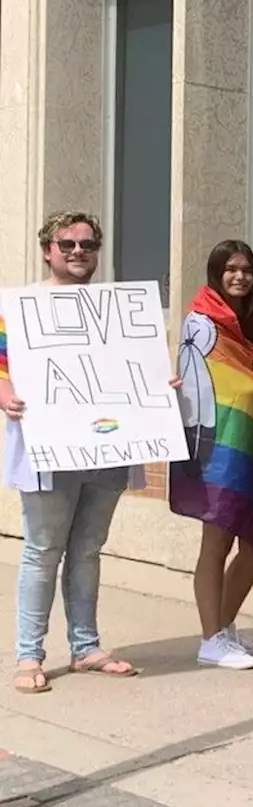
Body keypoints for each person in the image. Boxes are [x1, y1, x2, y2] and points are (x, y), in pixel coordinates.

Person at [5, 212, 176, 691]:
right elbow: (0, 364)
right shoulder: (20, 307)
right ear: (48, 250)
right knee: (44, 550)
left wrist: (158, 389)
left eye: (88, 243)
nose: (79, 251)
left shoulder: (119, 308)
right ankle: (28, 656)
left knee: (87, 549)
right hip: (49, 448)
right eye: (68, 244)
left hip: (107, 451)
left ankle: (85, 647)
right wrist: (4, 391)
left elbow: (138, 369)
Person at [171, 240, 253, 670]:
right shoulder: (200, 322)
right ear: (216, 273)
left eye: (246, 268)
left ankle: (225, 625)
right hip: (218, 448)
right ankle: (210, 638)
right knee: (217, 542)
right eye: (230, 268)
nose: (239, 276)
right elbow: (205, 383)